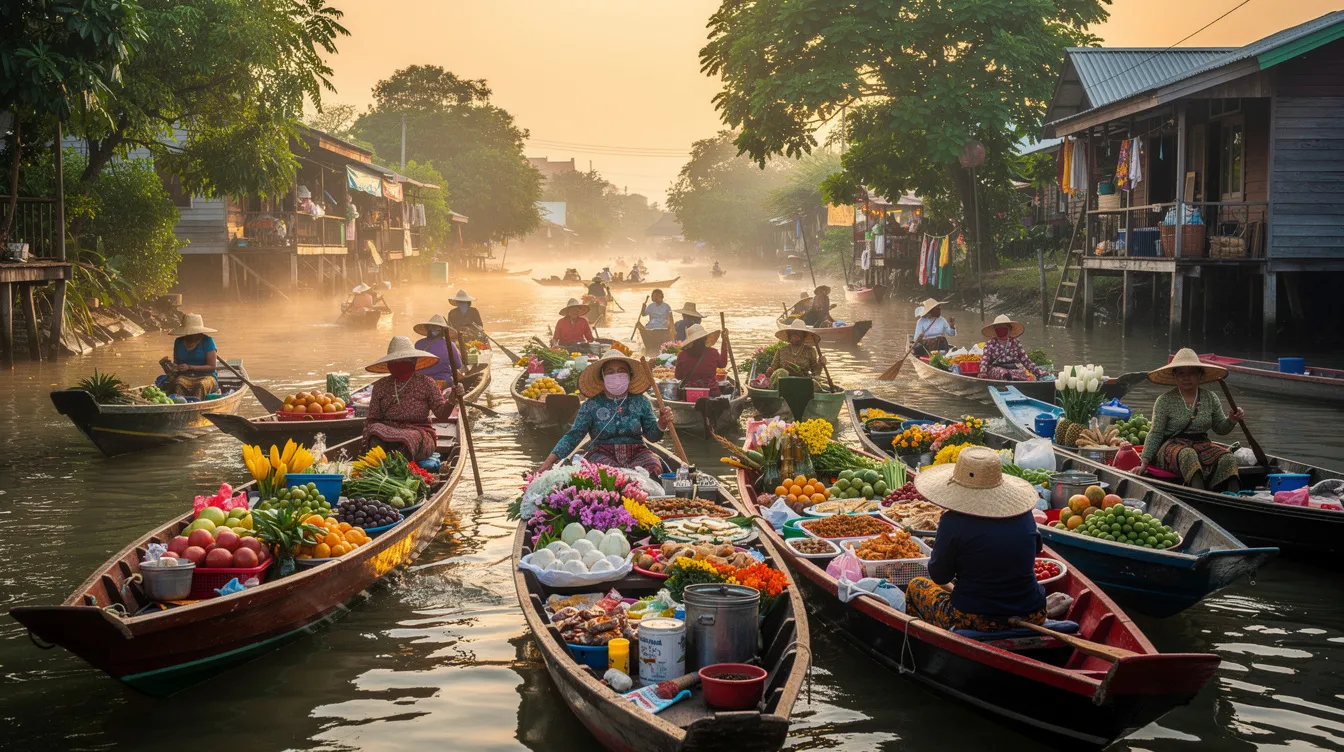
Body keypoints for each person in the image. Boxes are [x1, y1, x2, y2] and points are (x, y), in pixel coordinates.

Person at [905, 446, 1048, 632]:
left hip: (976, 617)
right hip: (1034, 612)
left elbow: (939, 575)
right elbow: (1033, 551)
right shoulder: (1025, 515)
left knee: (916, 586)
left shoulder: (952, 521)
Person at [538, 351, 674, 477]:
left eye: (621, 371)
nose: (616, 375)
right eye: (610, 372)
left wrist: (661, 424)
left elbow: (653, 436)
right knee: (604, 474)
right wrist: (549, 462)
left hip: (637, 452)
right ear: (603, 378)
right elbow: (573, 436)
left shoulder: (641, 401)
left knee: (653, 467)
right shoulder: (591, 405)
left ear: (629, 375)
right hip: (601, 453)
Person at [1138, 349, 1245, 491]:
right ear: (1175, 376)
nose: (1186, 377)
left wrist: (1231, 419)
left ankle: (1233, 496)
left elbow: (1220, 428)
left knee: (1228, 458)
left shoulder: (1210, 397)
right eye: (1181, 373)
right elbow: (1156, 433)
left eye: (1191, 372)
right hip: (1171, 448)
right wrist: (1144, 462)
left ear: (1200, 375)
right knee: (1188, 455)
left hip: (1201, 445)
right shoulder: (1164, 400)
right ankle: (1198, 495)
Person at [361, 336, 457, 461]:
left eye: (404, 361)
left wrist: (453, 398)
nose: (399, 366)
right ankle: (379, 467)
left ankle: (401, 469)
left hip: (418, 432)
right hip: (387, 430)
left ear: (413, 361)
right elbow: (373, 419)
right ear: (390, 364)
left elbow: (442, 415)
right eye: (396, 362)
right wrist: (368, 435)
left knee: (408, 438)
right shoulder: (381, 385)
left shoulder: (427, 383)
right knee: (375, 433)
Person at [161, 313, 219, 398]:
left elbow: (212, 366)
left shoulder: (208, 341)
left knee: (201, 385)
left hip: (206, 376)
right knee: (178, 384)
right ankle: (180, 406)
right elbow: (177, 363)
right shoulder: (179, 342)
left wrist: (190, 367)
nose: (191, 335)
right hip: (185, 376)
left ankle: (198, 405)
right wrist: (173, 367)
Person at [979, 315, 1047, 381]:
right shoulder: (990, 344)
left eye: (1004, 329)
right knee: (1002, 372)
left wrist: (1038, 372)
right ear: (995, 330)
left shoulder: (1016, 343)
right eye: (999, 329)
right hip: (996, 369)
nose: (1002, 331)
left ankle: (1013, 379)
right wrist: (982, 372)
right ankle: (1007, 378)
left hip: (1012, 368)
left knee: (1021, 372)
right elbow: (985, 360)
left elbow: (1025, 359)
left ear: (1010, 330)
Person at [674, 323, 728, 396]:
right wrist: (724, 342)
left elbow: (678, 376)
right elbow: (723, 364)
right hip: (712, 392)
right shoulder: (713, 352)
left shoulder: (682, 354)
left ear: (691, 341)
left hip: (691, 394)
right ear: (705, 338)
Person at [767, 320, 825, 388]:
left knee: (815, 383)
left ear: (803, 335)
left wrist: (820, 364)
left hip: (802, 382)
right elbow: (773, 368)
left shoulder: (810, 351)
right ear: (789, 335)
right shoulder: (781, 350)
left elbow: (815, 372)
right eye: (792, 333)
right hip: (784, 383)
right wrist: (770, 371)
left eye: (798, 334)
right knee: (781, 372)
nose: (794, 337)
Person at [413, 314, 462, 388]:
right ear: (443, 331)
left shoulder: (418, 343)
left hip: (422, 383)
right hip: (443, 382)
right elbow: (458, 365)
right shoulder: (450, 345)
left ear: (428, 329)